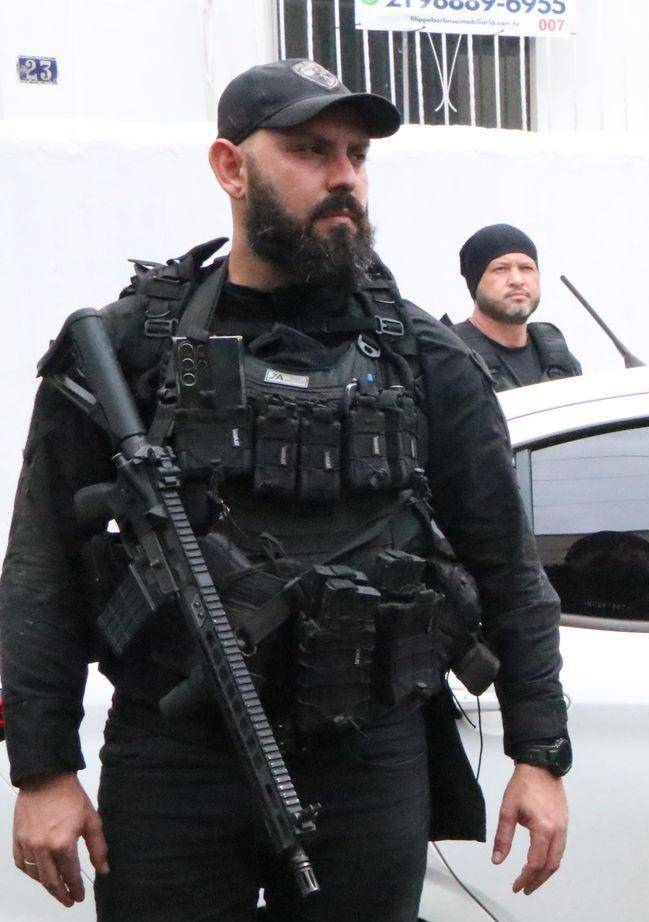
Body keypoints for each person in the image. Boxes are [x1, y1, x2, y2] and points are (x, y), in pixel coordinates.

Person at [1, 59, 570, 920]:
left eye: (356, 153)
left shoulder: (425, 358)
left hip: (369, 755)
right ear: (230, 167)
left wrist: (540, 752)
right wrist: (42, 767)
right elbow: (42, 563)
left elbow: (506, 562)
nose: (343, 176)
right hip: (175, 756)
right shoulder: (127, 350)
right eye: (310, 150)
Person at [449, 223, 582, 391]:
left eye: (526, 268)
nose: (517, 280)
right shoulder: (452, 357)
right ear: (475, 282)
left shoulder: (561, 359)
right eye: (500, 269)